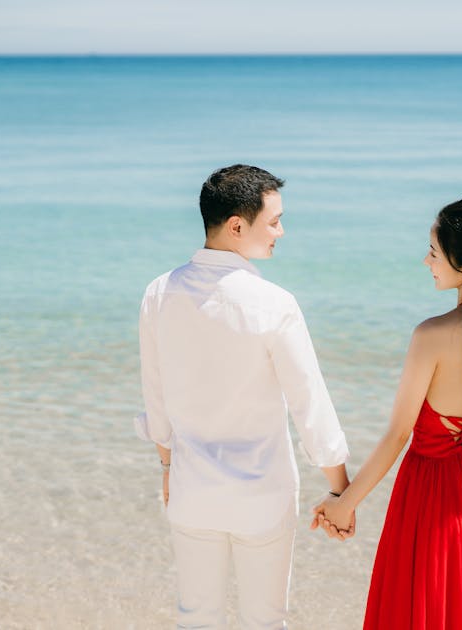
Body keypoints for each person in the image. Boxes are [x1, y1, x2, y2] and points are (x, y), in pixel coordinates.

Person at [135, 164, 351, 630]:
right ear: (237, 225)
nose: (281, 232)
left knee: (196, 619)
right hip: (262, 493)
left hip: (192, 488)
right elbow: (309, 402)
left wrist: (168, 468)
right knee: (266, 621)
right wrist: (340, 490)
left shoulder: (158, 293)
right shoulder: (274, 303)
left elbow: (156, 396)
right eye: (274, 221)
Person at [313, 195, 462, 629]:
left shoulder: (431, 335)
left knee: (423, 607)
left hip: (431, 493)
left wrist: (344, 503)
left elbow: (398, 435)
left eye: (433, 252)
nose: (425, 261)